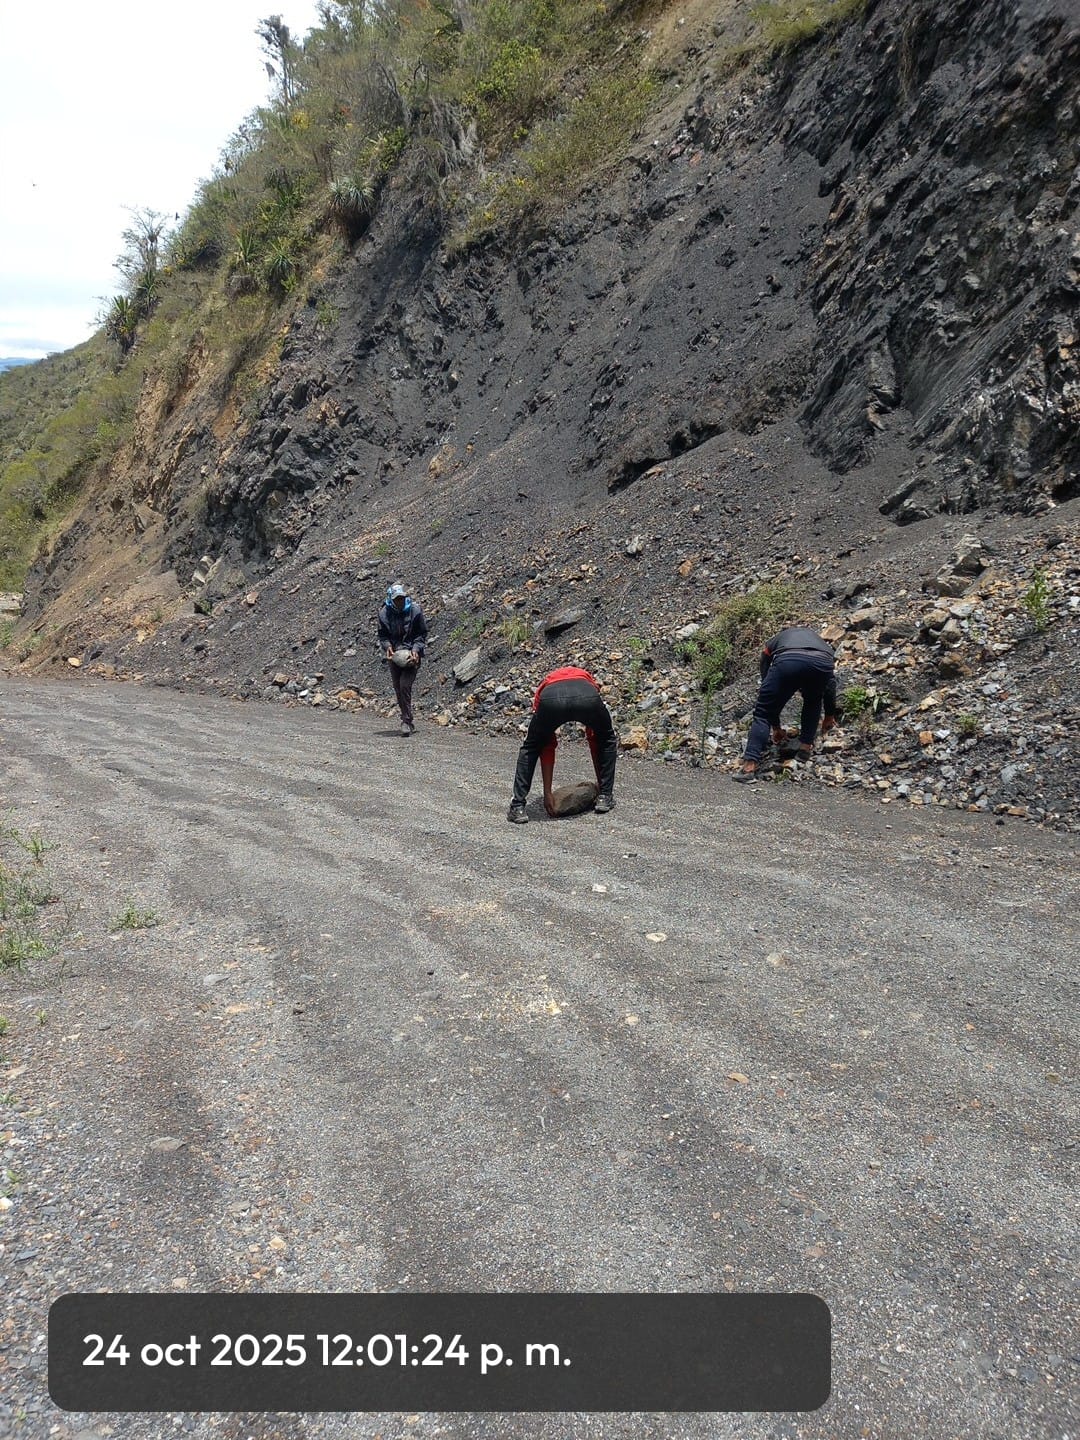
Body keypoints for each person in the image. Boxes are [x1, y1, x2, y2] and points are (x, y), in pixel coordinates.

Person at [508, 665, 617, 823]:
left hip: (550, 699)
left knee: (531, 747)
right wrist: (602, 787)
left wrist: (547, 793)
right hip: (586, 696)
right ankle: (605, 797)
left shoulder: (545, 685)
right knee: (606, 738)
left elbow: (547, 746)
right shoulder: (587, 679)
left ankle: (517, 806)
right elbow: (595, 740)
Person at [732, 626, 839, 782]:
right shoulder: (818, 640)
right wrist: (829, 715)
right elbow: (830, 684)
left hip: (789, 661)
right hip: (822, 662)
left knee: (763, 712)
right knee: (813, 699)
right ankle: (804, 749)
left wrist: (775, 725)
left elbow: (765, 663)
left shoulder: (779, 638)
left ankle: (749, 767)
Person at [377, 583, 428, 735]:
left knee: (405, 685)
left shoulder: (415, 611)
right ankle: (407, 718)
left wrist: (416, 649)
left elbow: (421, 634)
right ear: (391, 599)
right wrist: (387, 647)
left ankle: (406, 721)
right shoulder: (384, 614)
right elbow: (383, 635)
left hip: (411, 654)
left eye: (402, 598)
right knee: (398, 688)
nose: (400, 602)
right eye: (396, 599)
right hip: (395, 656)